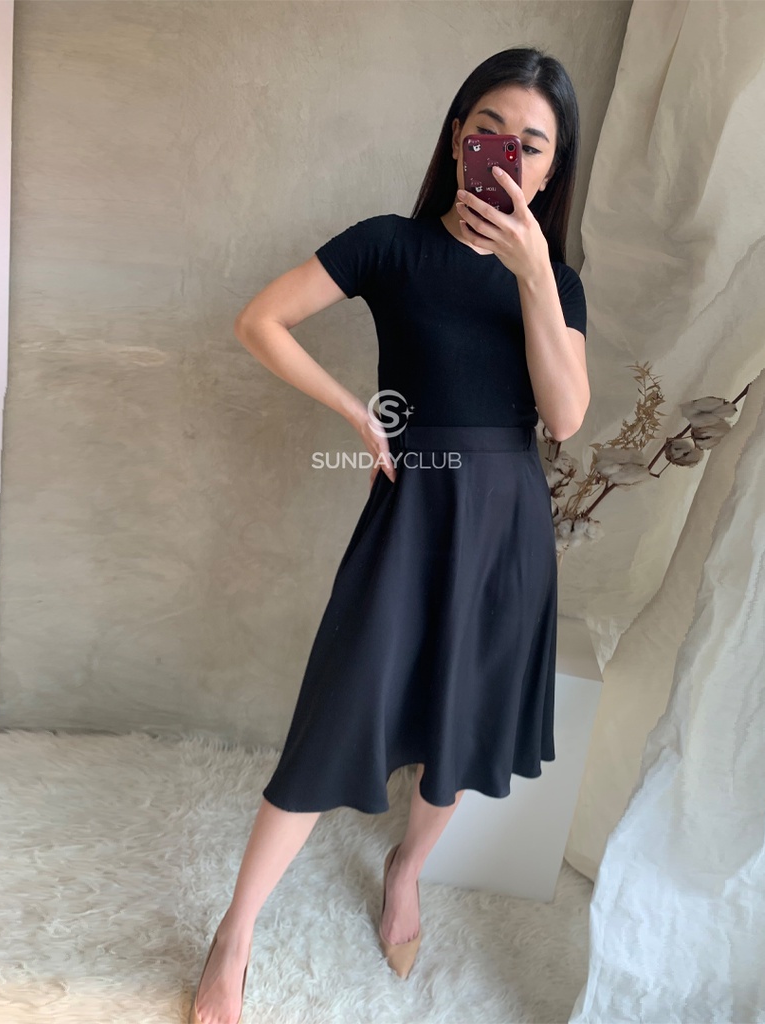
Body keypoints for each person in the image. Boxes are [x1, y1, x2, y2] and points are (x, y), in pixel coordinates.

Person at [189, 46, 589, 1024]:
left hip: (505, 531)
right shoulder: (389, 246)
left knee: (460, 723)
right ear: (458, 138)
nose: (508, 151)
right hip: (413, 514)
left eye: (532, 143)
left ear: (549, 170)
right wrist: (355, 412)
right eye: (490, 128)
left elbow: (567, 416)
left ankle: (405, 871)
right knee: (334, 714)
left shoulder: (559, 282)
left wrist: (535, 275)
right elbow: (260, 321)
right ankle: (234, 934)